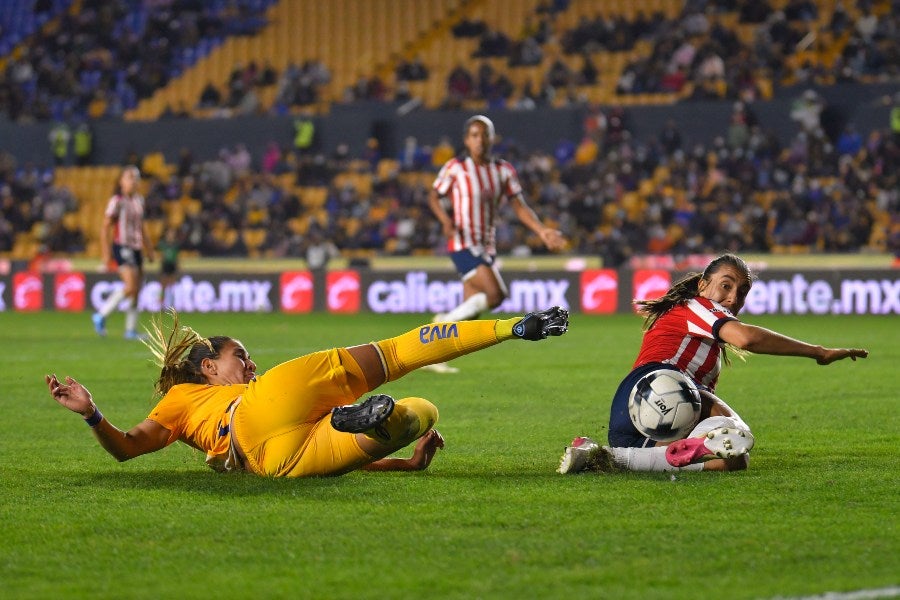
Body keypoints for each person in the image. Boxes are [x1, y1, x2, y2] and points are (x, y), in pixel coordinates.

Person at [46, 306, 569, 478]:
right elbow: (128, 447)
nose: (249, 362)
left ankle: (354, 419)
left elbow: (128, 449)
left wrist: (407, 467)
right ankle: (511, 328)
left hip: (275, 462)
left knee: (419, 412)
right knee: (395, 353)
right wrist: (92, 414)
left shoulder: (182, 414)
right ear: (209, 367)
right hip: (259, 412)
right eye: (239, 357)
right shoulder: (184, 398)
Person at [557, 254, 868, 474]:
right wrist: (819, 352)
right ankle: (624, 455)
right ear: (704, 285)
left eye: (742, 291)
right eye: (726, 285)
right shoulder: (697, 305)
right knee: (736, 430)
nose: (733, 298)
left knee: (734, 457)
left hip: (639, 421)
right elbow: (746, 339)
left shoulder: (702, 319)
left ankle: (611, 457)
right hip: (657, 389)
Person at [426, 115, 567, 373]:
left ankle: (435, 356)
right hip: (462, 242)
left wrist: (542, 230)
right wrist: (445, 219)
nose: (480, 140)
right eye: (475, 135)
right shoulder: (455, 167)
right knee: (496, 294)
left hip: (486, 246)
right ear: (467, 140)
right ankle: (439, 325)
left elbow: (519, 206)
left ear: (492, 138)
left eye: (485, 135)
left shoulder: (502, 170)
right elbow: (434, 196)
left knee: (472, 311)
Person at [92, 165, 156, 339]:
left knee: (137, 289)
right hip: (122, 246)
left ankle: (130, 330)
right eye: (130, 177)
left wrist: (149, 249)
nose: (134, 181)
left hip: (136, 248)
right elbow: (105, 228)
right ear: (121, 181)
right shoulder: (117, 201)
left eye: (136, 178)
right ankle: (101, 315)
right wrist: (106, 254)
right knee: (130, 287)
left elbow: (142, 227)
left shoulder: (139, 200)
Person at [157, 227, 181, 310]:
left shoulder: (176, 245)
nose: (171, 235)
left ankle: (171, 304)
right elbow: (161, 256)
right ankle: (161, 305)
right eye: (170, 233)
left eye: (172, 233)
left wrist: (178, 265)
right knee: (163, 286)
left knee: (172, 285)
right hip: (165, 265)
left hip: (172, 265)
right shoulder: (162, 244)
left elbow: (177, 257)